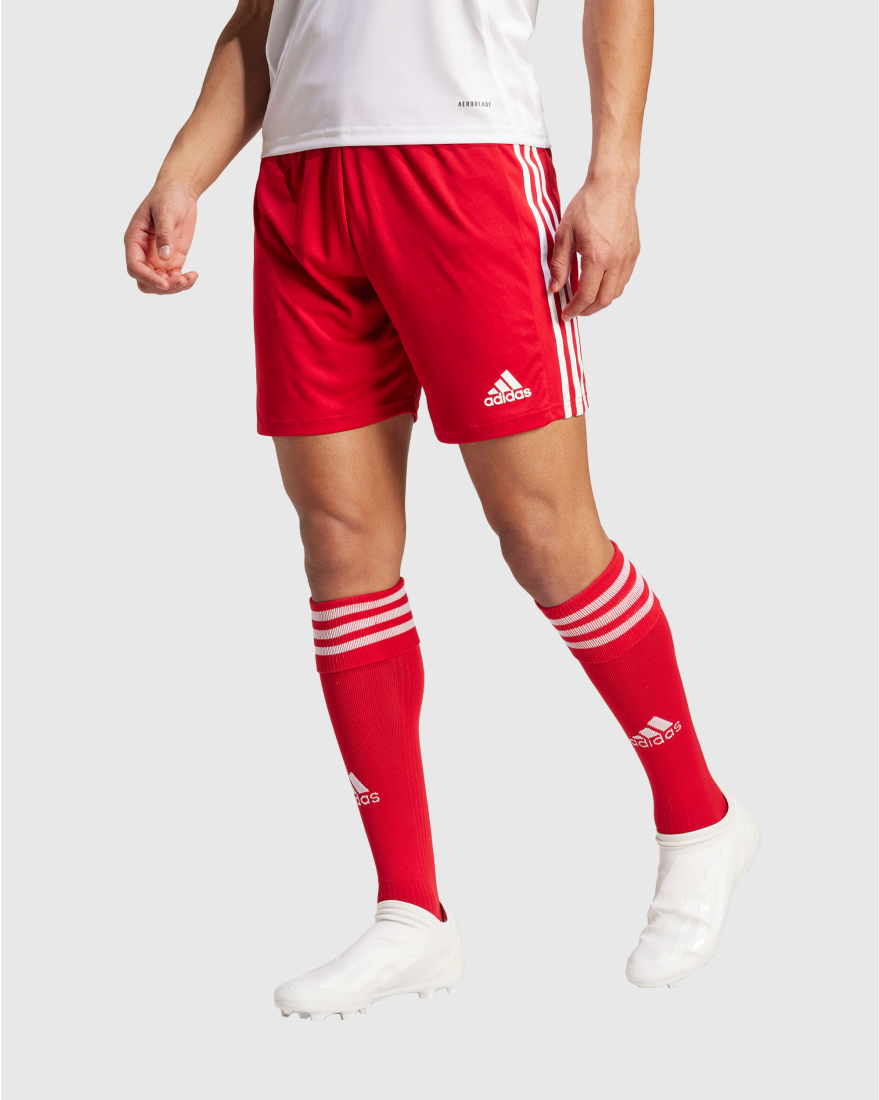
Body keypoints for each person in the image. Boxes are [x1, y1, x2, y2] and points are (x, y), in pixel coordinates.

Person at [124, 0, 760, 1022]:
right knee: (340, 546)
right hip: (302, 184)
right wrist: (183, 171)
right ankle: (410, 911)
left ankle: (699, 821)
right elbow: (257, 24)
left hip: (464, 161)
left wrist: (615, 174)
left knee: (545, 534)